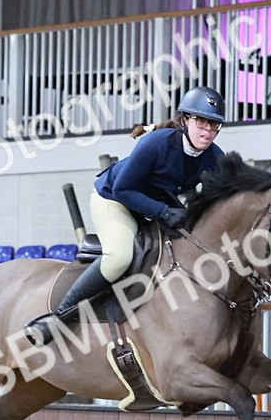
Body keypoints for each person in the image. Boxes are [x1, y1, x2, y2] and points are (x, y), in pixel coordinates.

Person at [23, 85, 228, 347]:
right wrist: (164, 211)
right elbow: (123, 189)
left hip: (154, 204)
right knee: (119, 257)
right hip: (115, 199)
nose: (207, 130)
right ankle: (59, 317)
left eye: (214, 124)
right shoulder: (156, 143)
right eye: (201, 121)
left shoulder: (215, 157)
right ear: (185, 119)